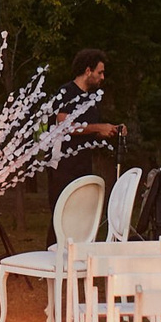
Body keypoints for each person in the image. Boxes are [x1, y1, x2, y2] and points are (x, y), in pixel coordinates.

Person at [46, 48, 128, 238]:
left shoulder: (92, 99)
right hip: (63, 165)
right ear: (88, 70)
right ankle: (52, 258)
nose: (103, 77)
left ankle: (76, 259)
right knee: (60, 216)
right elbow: (65, 126)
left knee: (79, 217)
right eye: (100, 72)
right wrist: (98, 127)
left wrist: (111, 129)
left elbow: (89, 130)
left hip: (83, 164)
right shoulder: (66, 92)